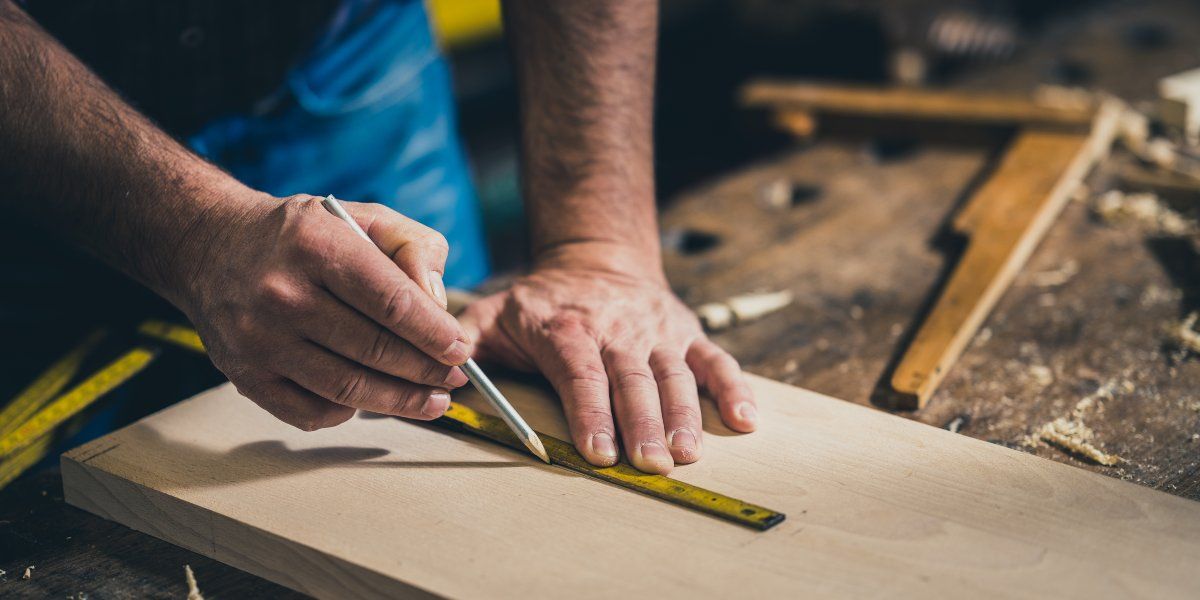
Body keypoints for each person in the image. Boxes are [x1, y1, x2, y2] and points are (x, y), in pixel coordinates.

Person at [0, 0, 755, 475]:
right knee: (64, 500)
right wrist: (193, 236)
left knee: (417, 368)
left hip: (338, 50)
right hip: (26, 124)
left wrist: (600, 248)